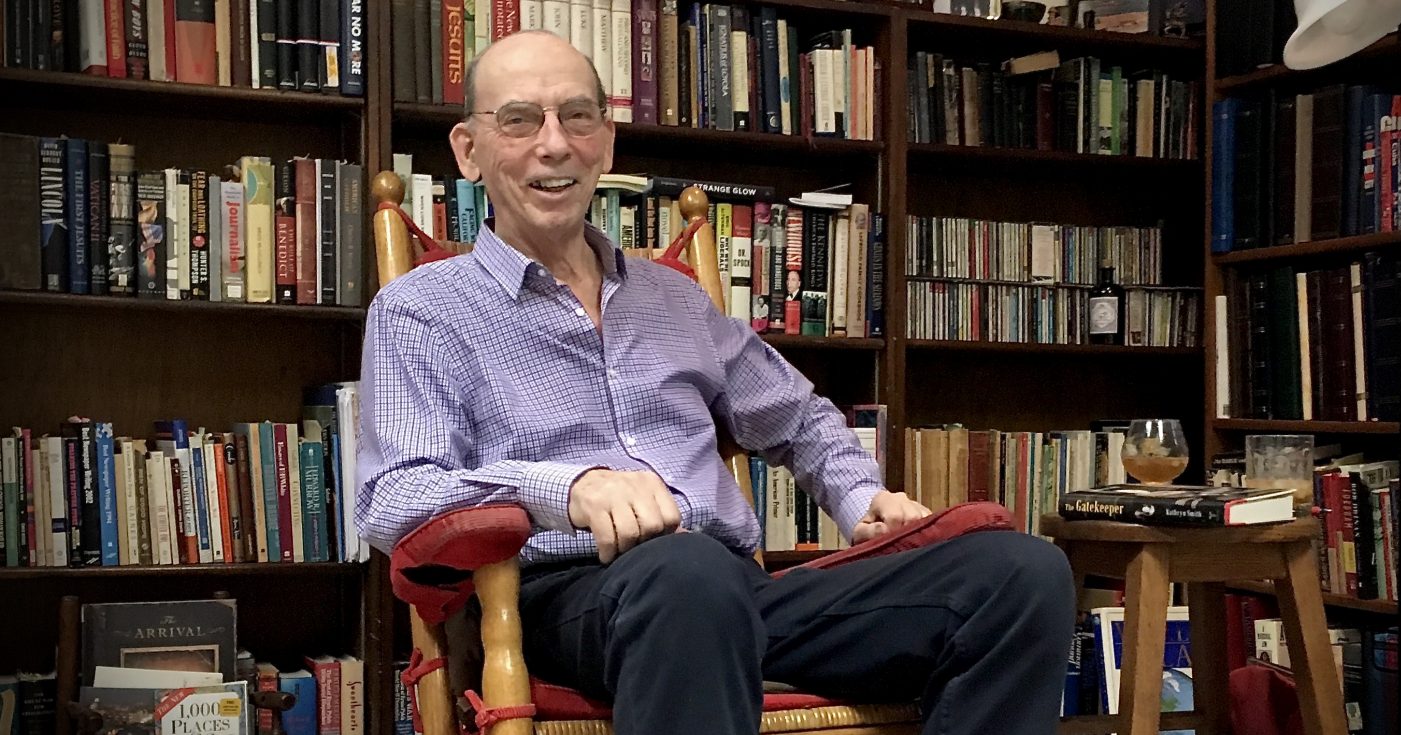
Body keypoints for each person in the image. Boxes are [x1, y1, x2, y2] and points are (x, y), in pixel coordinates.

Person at [356, 30, 1075, 735]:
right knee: (687, 576)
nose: (554, 143)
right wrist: (568, 489)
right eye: (519, 120)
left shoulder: (675, 300)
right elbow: (395, 497)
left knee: (1020, 575)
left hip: (738, 595)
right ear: (468, 151)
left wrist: (862, 499)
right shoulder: (424, 308)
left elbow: (799, 416)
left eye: (578, 116)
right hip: (562, 600)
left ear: (606, 141)